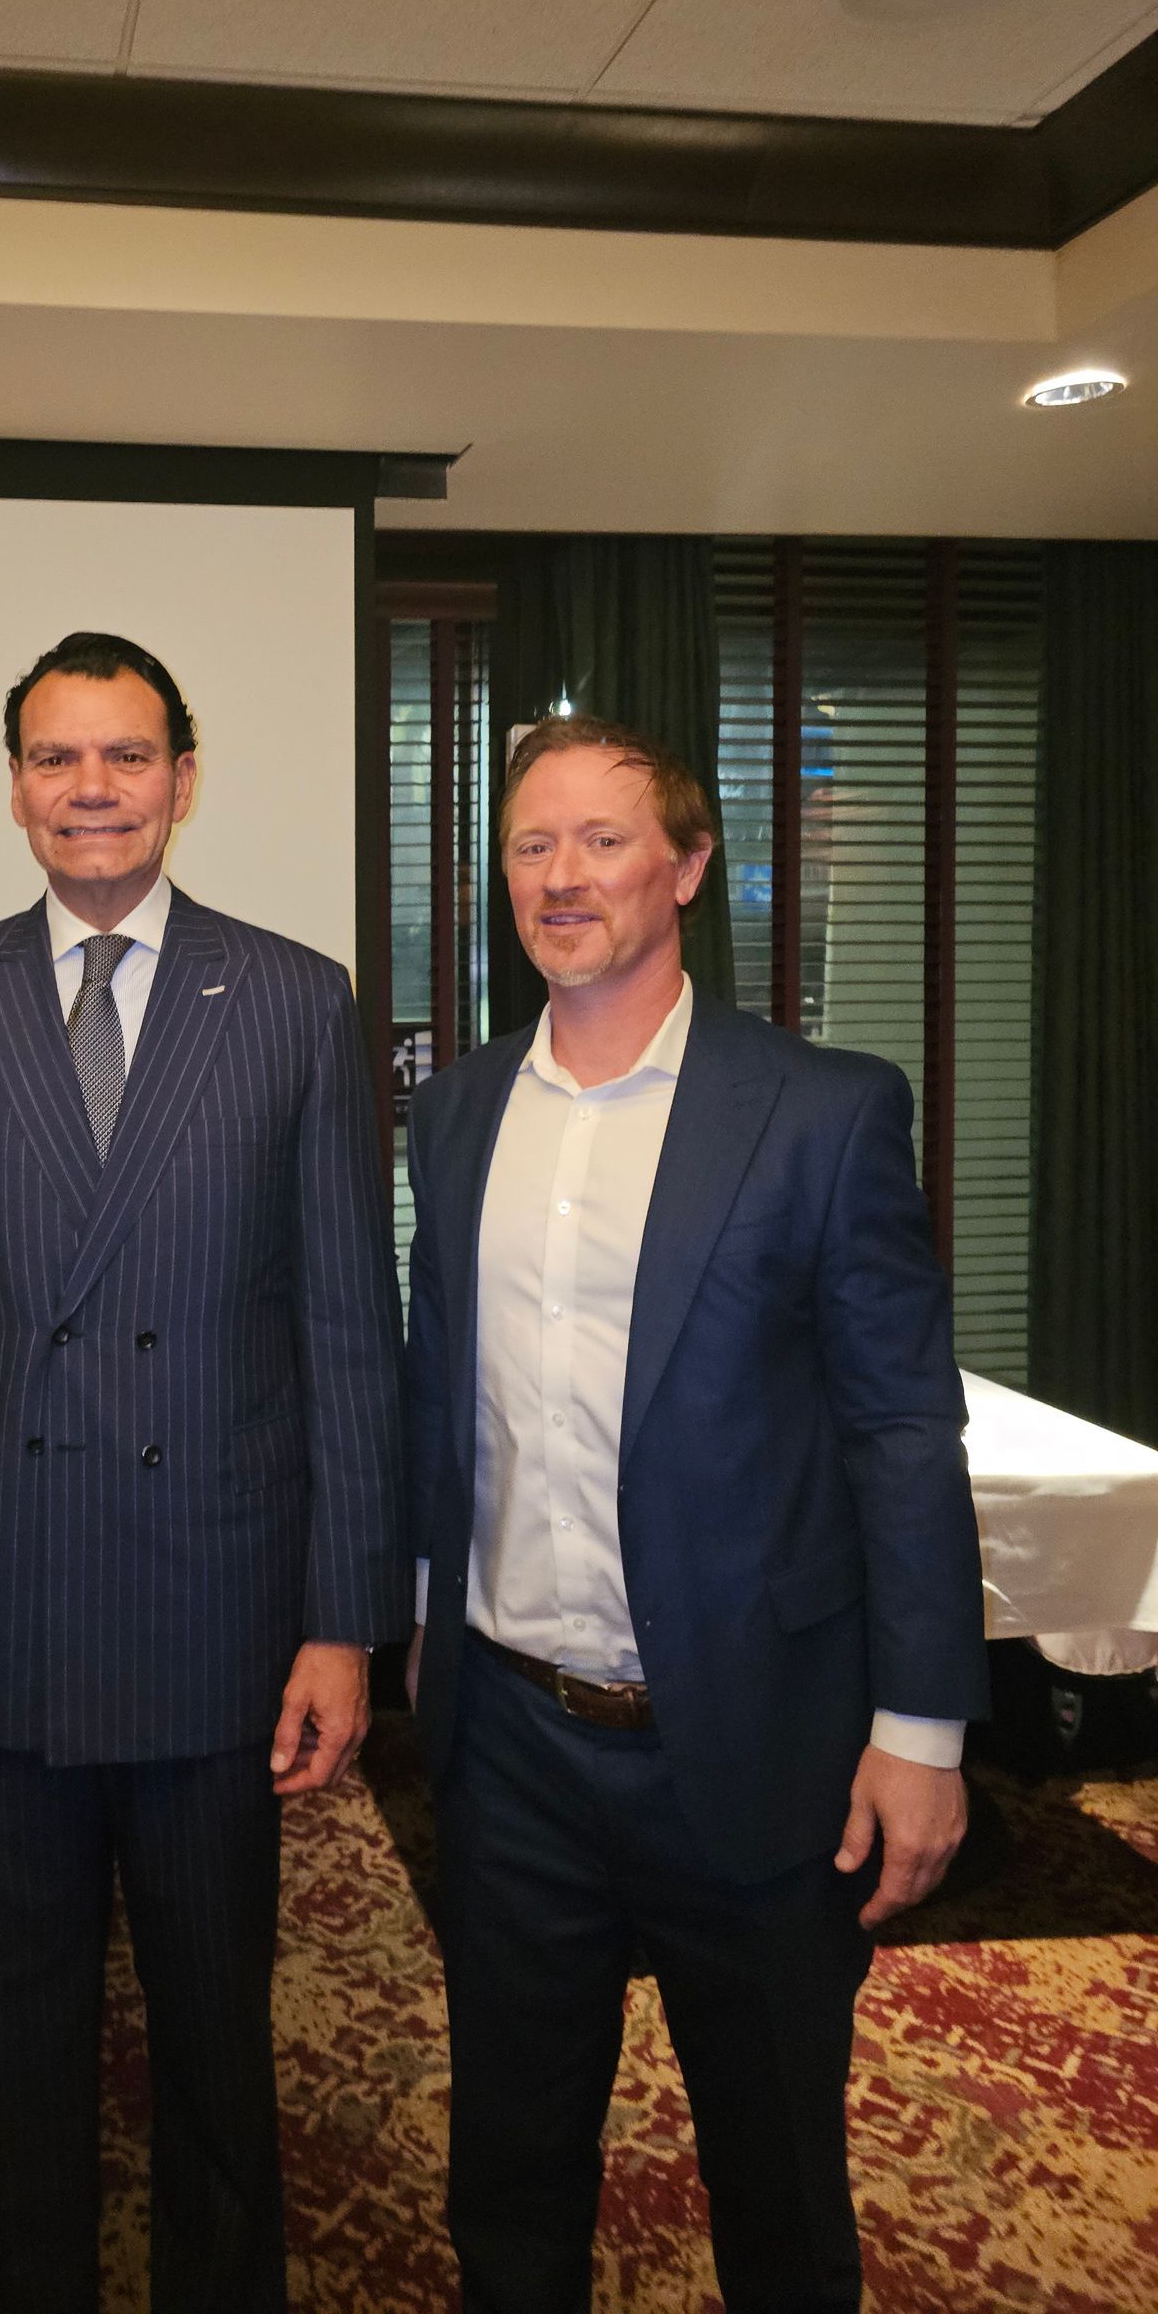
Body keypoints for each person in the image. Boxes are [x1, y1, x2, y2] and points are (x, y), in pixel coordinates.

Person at [0, 631, 405, 2314]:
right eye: (58, 759)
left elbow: (348, 1336)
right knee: (13, 2041)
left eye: (127, 756)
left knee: (223, 2039)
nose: (93, 789)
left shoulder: (291, 997)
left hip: (219, 1619)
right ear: (15, 787)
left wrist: (342, 1623)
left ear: (184, 780)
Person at [405, 713, 988, 2314]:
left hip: (754, 1742)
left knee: (779, 2178)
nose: (562, 876)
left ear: (689, 866)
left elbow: (896, 1430)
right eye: (531, 844)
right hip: (513, 1741)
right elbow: (444, 1402)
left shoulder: (820, 1110)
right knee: (510, 2170)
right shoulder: (456, 1117)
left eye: (602, 840)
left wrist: (922, 1733)